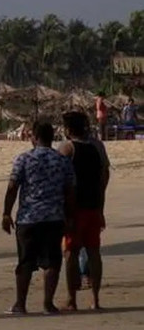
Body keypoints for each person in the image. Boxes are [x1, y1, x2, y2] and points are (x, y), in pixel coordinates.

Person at [2, 121, 75, 316]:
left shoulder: (23, 159)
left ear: (34, 137)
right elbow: (69, 192)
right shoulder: (62, 160)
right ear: (51, 137)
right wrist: (69, 217)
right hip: (54, 217)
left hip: (28, 217)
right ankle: (48, 304)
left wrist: (6, 212)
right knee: (52, 262)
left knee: (25, 262)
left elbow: (12, 187)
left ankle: (20, 303)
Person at [57, 111, 110, 311]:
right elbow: (104, 177)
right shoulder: (98, 146)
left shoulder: (66, 148)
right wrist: (101, 207)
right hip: (94, 206)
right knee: (94, 252)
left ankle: (72, 299)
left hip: (74, 209)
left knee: (71, 253)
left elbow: (61, 181)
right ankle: (95, 300)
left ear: (68, 129)